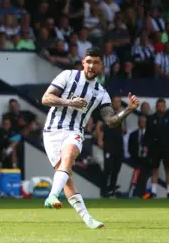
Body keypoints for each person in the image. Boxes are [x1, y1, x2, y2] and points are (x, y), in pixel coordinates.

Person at [40, 47, 140, 228]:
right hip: (52, 131)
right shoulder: (67, 76)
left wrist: (128, 110)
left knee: (69, 157)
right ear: (83, 62)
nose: (91, 66)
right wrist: (70, 102)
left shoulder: (101, 93)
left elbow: (110, 121)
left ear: (102, 65)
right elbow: (46, 98)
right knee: (67, 179)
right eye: (88, 62)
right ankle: (88, 219)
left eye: (96, 62)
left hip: (75, 131)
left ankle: (52, 195)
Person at [96, 97, 125, 197]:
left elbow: (124, 129)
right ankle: (103, 190)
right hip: (109, 143)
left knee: (117, 167)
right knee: (108, 167)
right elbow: (99, 126)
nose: (117, 104)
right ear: (112, 103)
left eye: (119, 102)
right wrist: (100, 139)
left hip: (119, 144)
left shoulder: (122, 114)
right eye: (115, 102)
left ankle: (112, 187)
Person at [147, 98, 169, 198]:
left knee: (168, 170)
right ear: (156, 107)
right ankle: (154, 191)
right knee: (154, 170)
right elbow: (148, 134)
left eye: (164, 106)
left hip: (167, 148)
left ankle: (168, 191)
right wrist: (147, 146)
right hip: (154, 149)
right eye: (161, 106)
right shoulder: (151, 119)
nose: (163, 108)